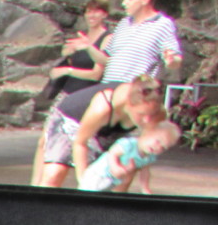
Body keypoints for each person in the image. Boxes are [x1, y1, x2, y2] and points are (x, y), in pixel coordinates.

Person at [31, 0, 113, 184]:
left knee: (81, 143)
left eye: (97, 11)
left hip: (85, 98)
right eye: (89, 11)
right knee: (44, 140)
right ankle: (35, 185)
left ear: (105, 14)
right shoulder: (82, 35)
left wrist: (68, 70)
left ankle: (88, 184)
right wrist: (67, 53)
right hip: (66, 93)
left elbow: (96, 74)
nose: (91, 15)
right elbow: (67, 56)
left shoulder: (107, 39)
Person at [37, 74, 167, 188]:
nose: (146, 120)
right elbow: (80, 143)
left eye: (151, 114)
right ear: (128, 105)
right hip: (73, 119)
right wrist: (85, 182)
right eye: (142, 114)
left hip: (113, 129)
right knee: (55, 173)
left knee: (120, 172)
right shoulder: (102, 107)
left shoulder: (157, 113)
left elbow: (140, 152)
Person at [68, 0, 182, 85]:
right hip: (108, 86)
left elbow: (176, 59)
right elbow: (106, 60)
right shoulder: (124, 23)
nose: (123, 3)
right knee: (72, 100)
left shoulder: (163, 24)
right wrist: (88, 47)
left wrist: (172, 60)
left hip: (132, 89)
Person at [79, 119, 180, 191]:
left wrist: (145, 188)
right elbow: (112, 153)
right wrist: (115, 166)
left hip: (114, 180)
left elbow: (145, 172)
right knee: (88, 192)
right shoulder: (129, 144)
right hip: (100, 173)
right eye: (157, 141)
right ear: (147, 133)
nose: (157, 147)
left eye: (163, 147)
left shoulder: (149, 157)